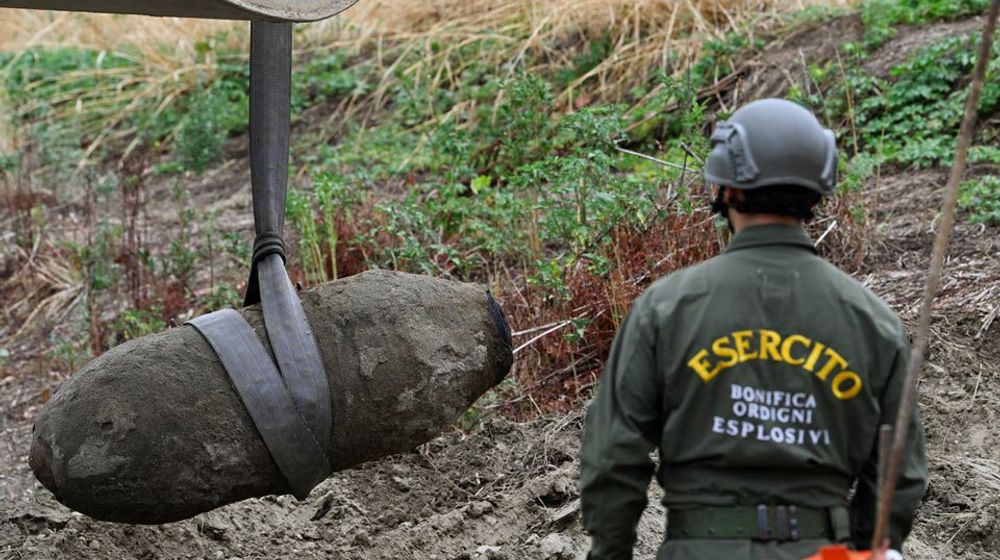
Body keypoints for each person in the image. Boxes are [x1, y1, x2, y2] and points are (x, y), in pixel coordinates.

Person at [579, 98, 927, 560]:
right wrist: (862, 549)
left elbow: (612, 456)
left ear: (725, 187)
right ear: (818, 189)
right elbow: (898, 475)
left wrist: (610, 552)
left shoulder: (665, 309)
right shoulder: (873, 322)